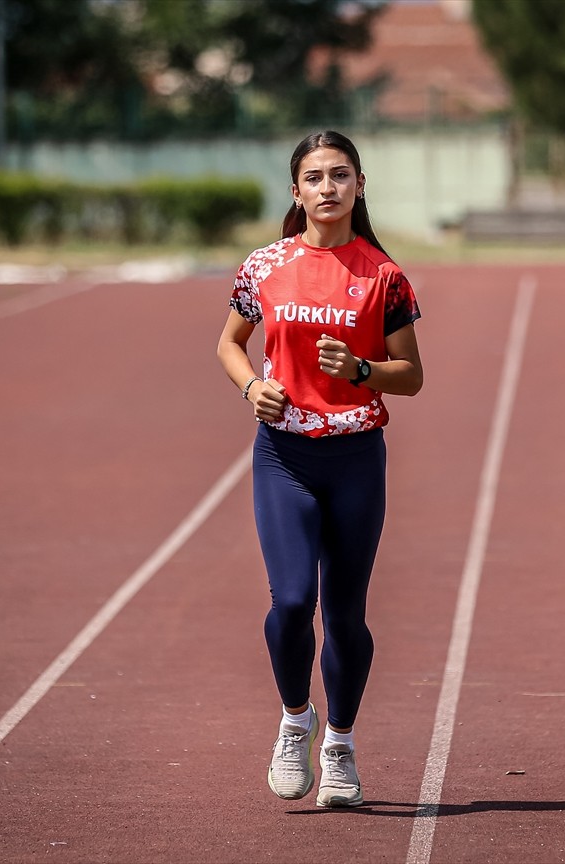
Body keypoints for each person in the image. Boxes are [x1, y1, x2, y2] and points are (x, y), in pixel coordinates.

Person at [216, 130, 424, 807]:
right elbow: (229, 344)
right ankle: (294, 720)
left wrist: (362, 369)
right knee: (291, 602)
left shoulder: (383, 276)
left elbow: (411, 375)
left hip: (356, 458)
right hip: (285, 455)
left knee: (345, 615)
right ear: (296, 191)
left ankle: (339, 744)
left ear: (360, 186)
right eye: (314, 177)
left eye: (340, 175)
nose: (327, 187)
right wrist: (252, 386)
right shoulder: (265, 265)